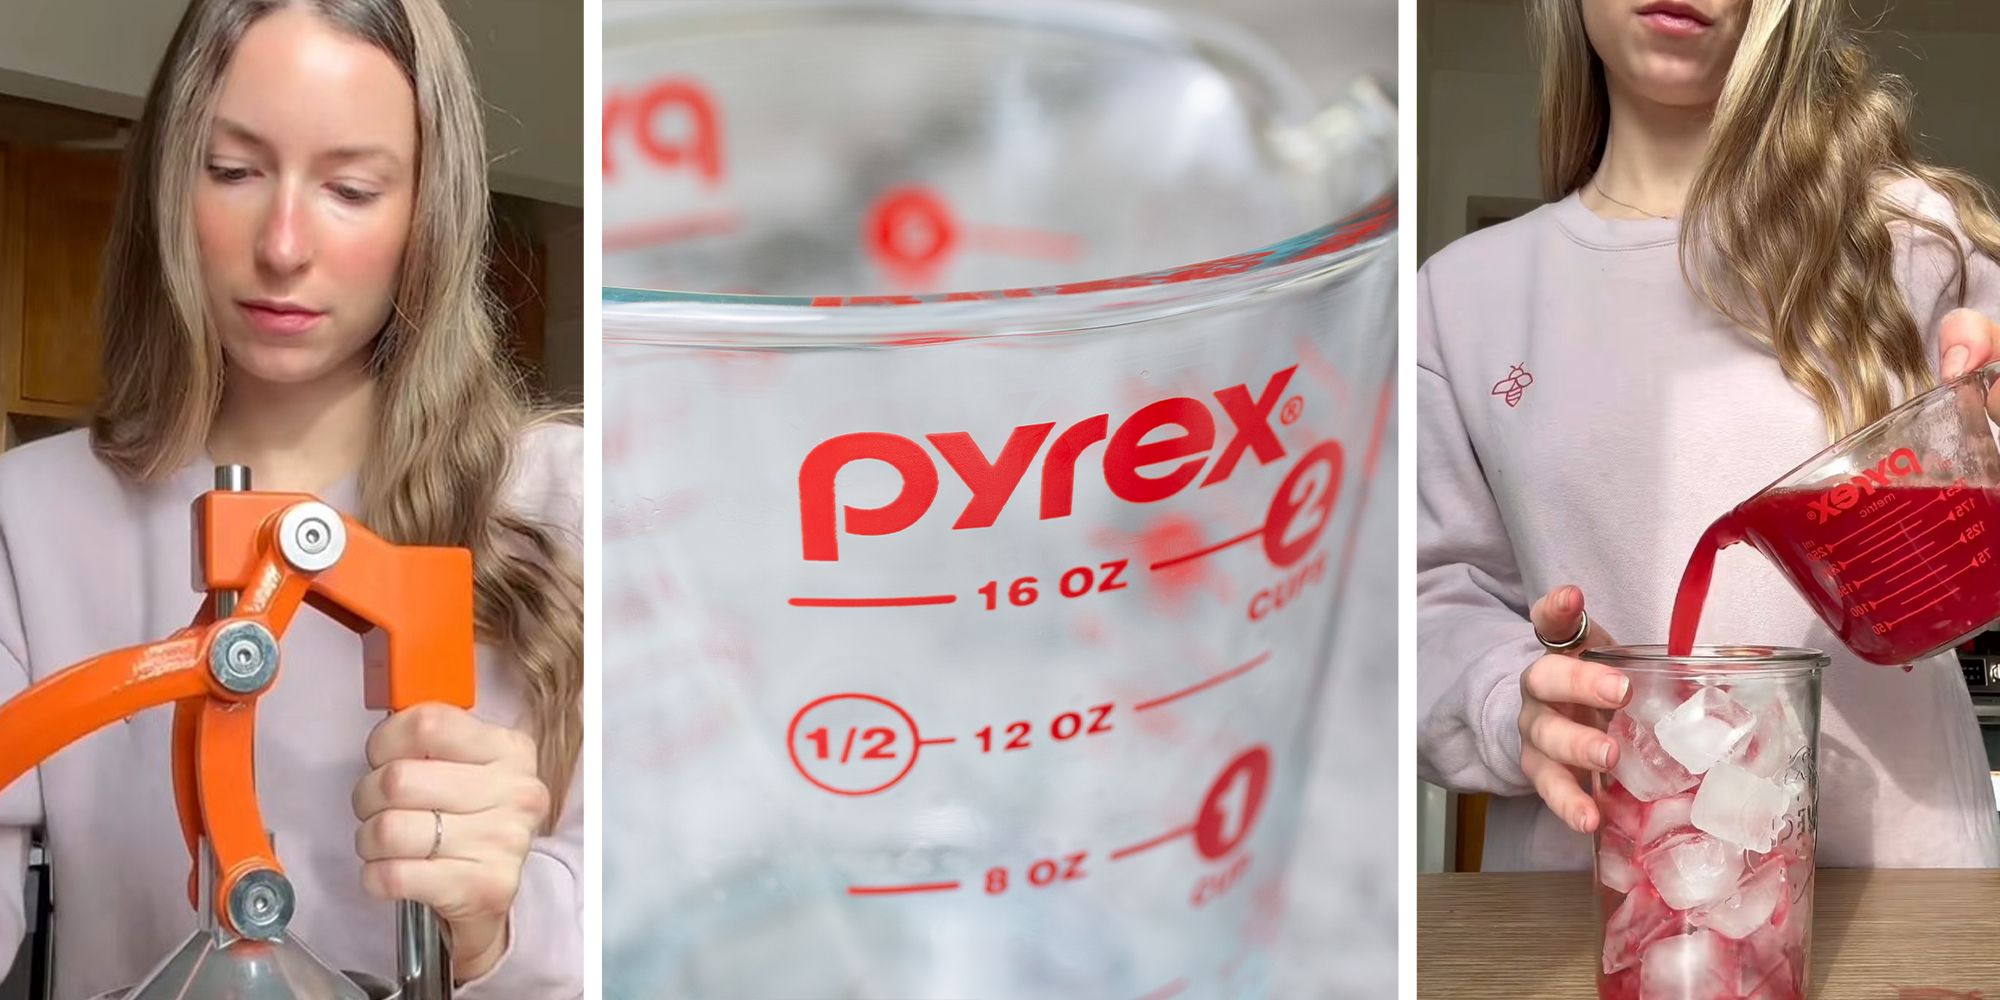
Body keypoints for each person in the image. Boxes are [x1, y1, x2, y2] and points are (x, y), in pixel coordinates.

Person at [0, 1, 583, 997]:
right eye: (233, 172)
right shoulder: (29, 513)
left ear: (426, 212)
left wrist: (499, 924)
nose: (282, 245)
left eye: (351, 189)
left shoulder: (568, 500)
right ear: (166, 183)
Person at [1418, 0, 2000, 872]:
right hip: (1595, 896)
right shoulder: (1461, 297)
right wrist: (1507, 697)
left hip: (1909, 889)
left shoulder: (1917, 244)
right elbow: (1424, 604)